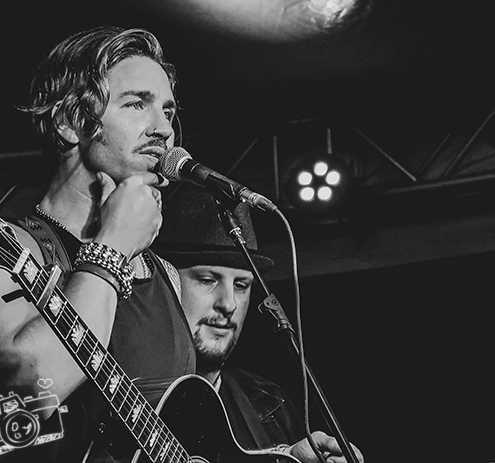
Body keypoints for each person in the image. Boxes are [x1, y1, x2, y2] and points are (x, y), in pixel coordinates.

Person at [0, 26, 191, 462]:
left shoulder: (166, 276)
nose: (163, 130)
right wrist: (111, 251)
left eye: (168, 111)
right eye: (137, 104)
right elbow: (26, 390)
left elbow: (196, 434)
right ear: (70, 122)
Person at [154, 185, 364, 463]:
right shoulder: (123, 384)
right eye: (207, 280)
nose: (229, 304)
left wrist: (288, 458)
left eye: (241, 285)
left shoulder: (269, 403)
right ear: (166, 281)